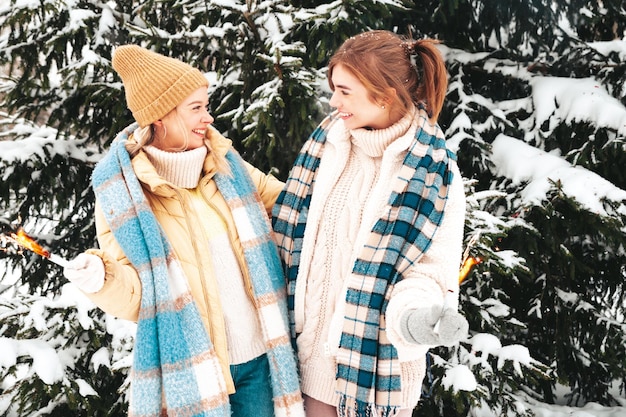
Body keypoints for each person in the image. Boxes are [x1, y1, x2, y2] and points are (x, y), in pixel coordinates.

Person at [63, 45, 304, 417]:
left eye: (206, 106)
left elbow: (293, 208)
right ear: (160, 117)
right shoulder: (122, 194)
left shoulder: (227, 165)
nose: (208, 118)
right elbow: (139, 300)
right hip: (195, 372)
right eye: (196, 108)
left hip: (259, 359)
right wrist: (102, 279)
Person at [272, 30, 469, 417]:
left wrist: (414, 320)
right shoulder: (326, 146)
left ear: (384, 95)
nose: (333, 101)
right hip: (302, 368)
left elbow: (429, 273)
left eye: (345, 91)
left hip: (372, 376)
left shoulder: (434, 174)